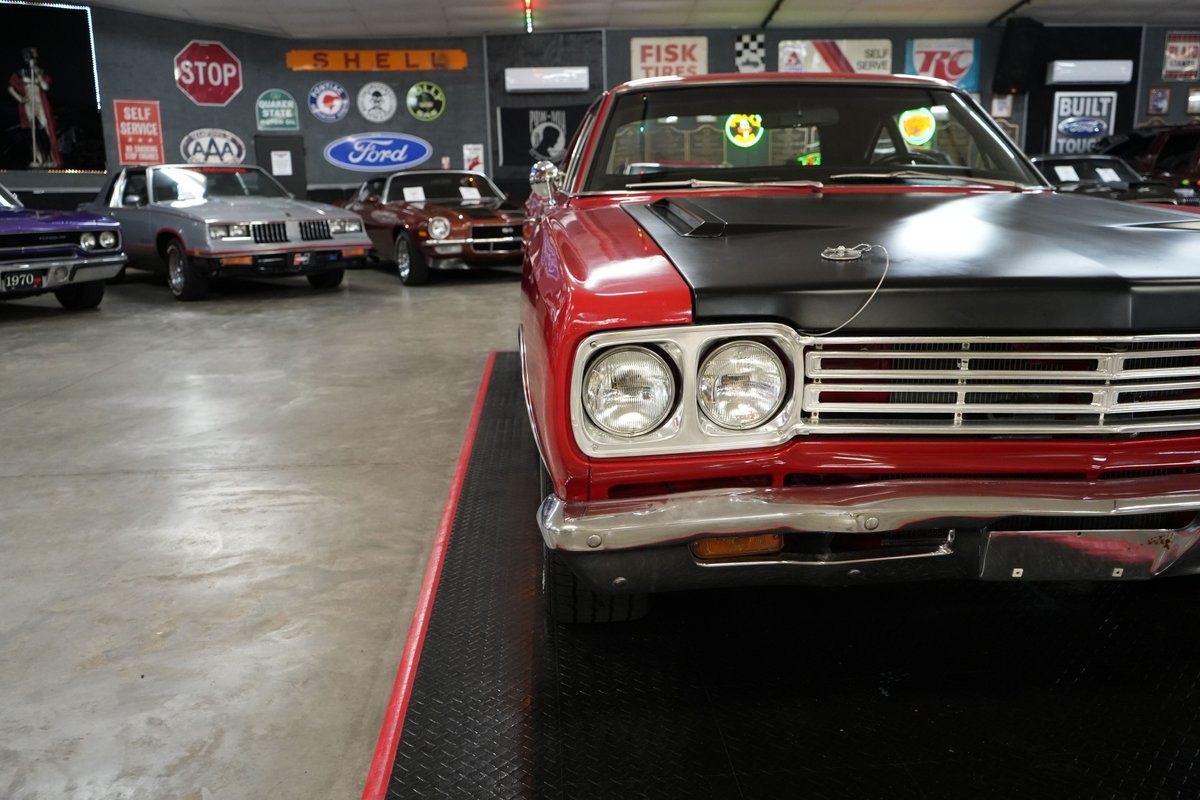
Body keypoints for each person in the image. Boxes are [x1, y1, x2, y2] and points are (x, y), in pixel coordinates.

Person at [8, 47, 61, 168]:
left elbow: (45, 87)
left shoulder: (40, 72)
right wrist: (20, 99)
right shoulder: (20, 72)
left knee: (45, 129)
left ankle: (51, 158)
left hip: (40, 103)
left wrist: (36, 72)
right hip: (28, 103)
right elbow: (10, 88)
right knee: (33, 130)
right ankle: (38, 158)